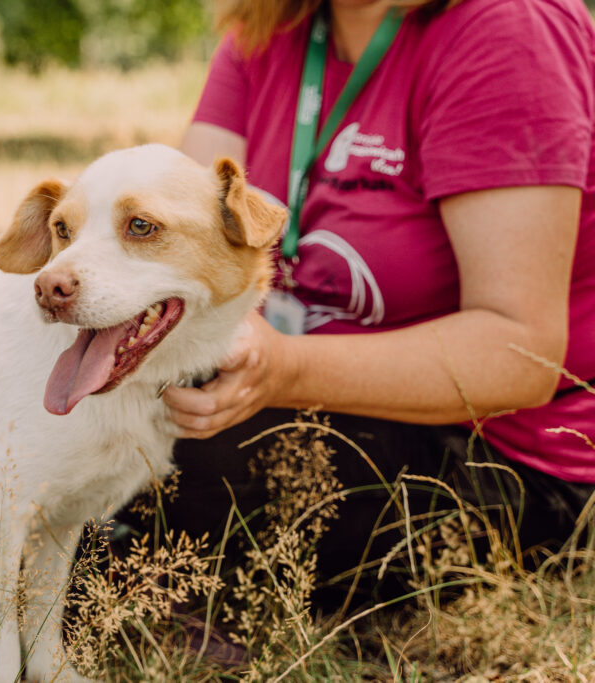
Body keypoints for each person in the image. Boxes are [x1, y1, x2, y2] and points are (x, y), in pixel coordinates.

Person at [138, 0, 595, 601]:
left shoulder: (509, 27)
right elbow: (176, 247)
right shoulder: (265, 26)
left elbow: (522, 355)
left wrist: (282, 370)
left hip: (507, 457)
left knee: (182, 459)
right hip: (304, 399)